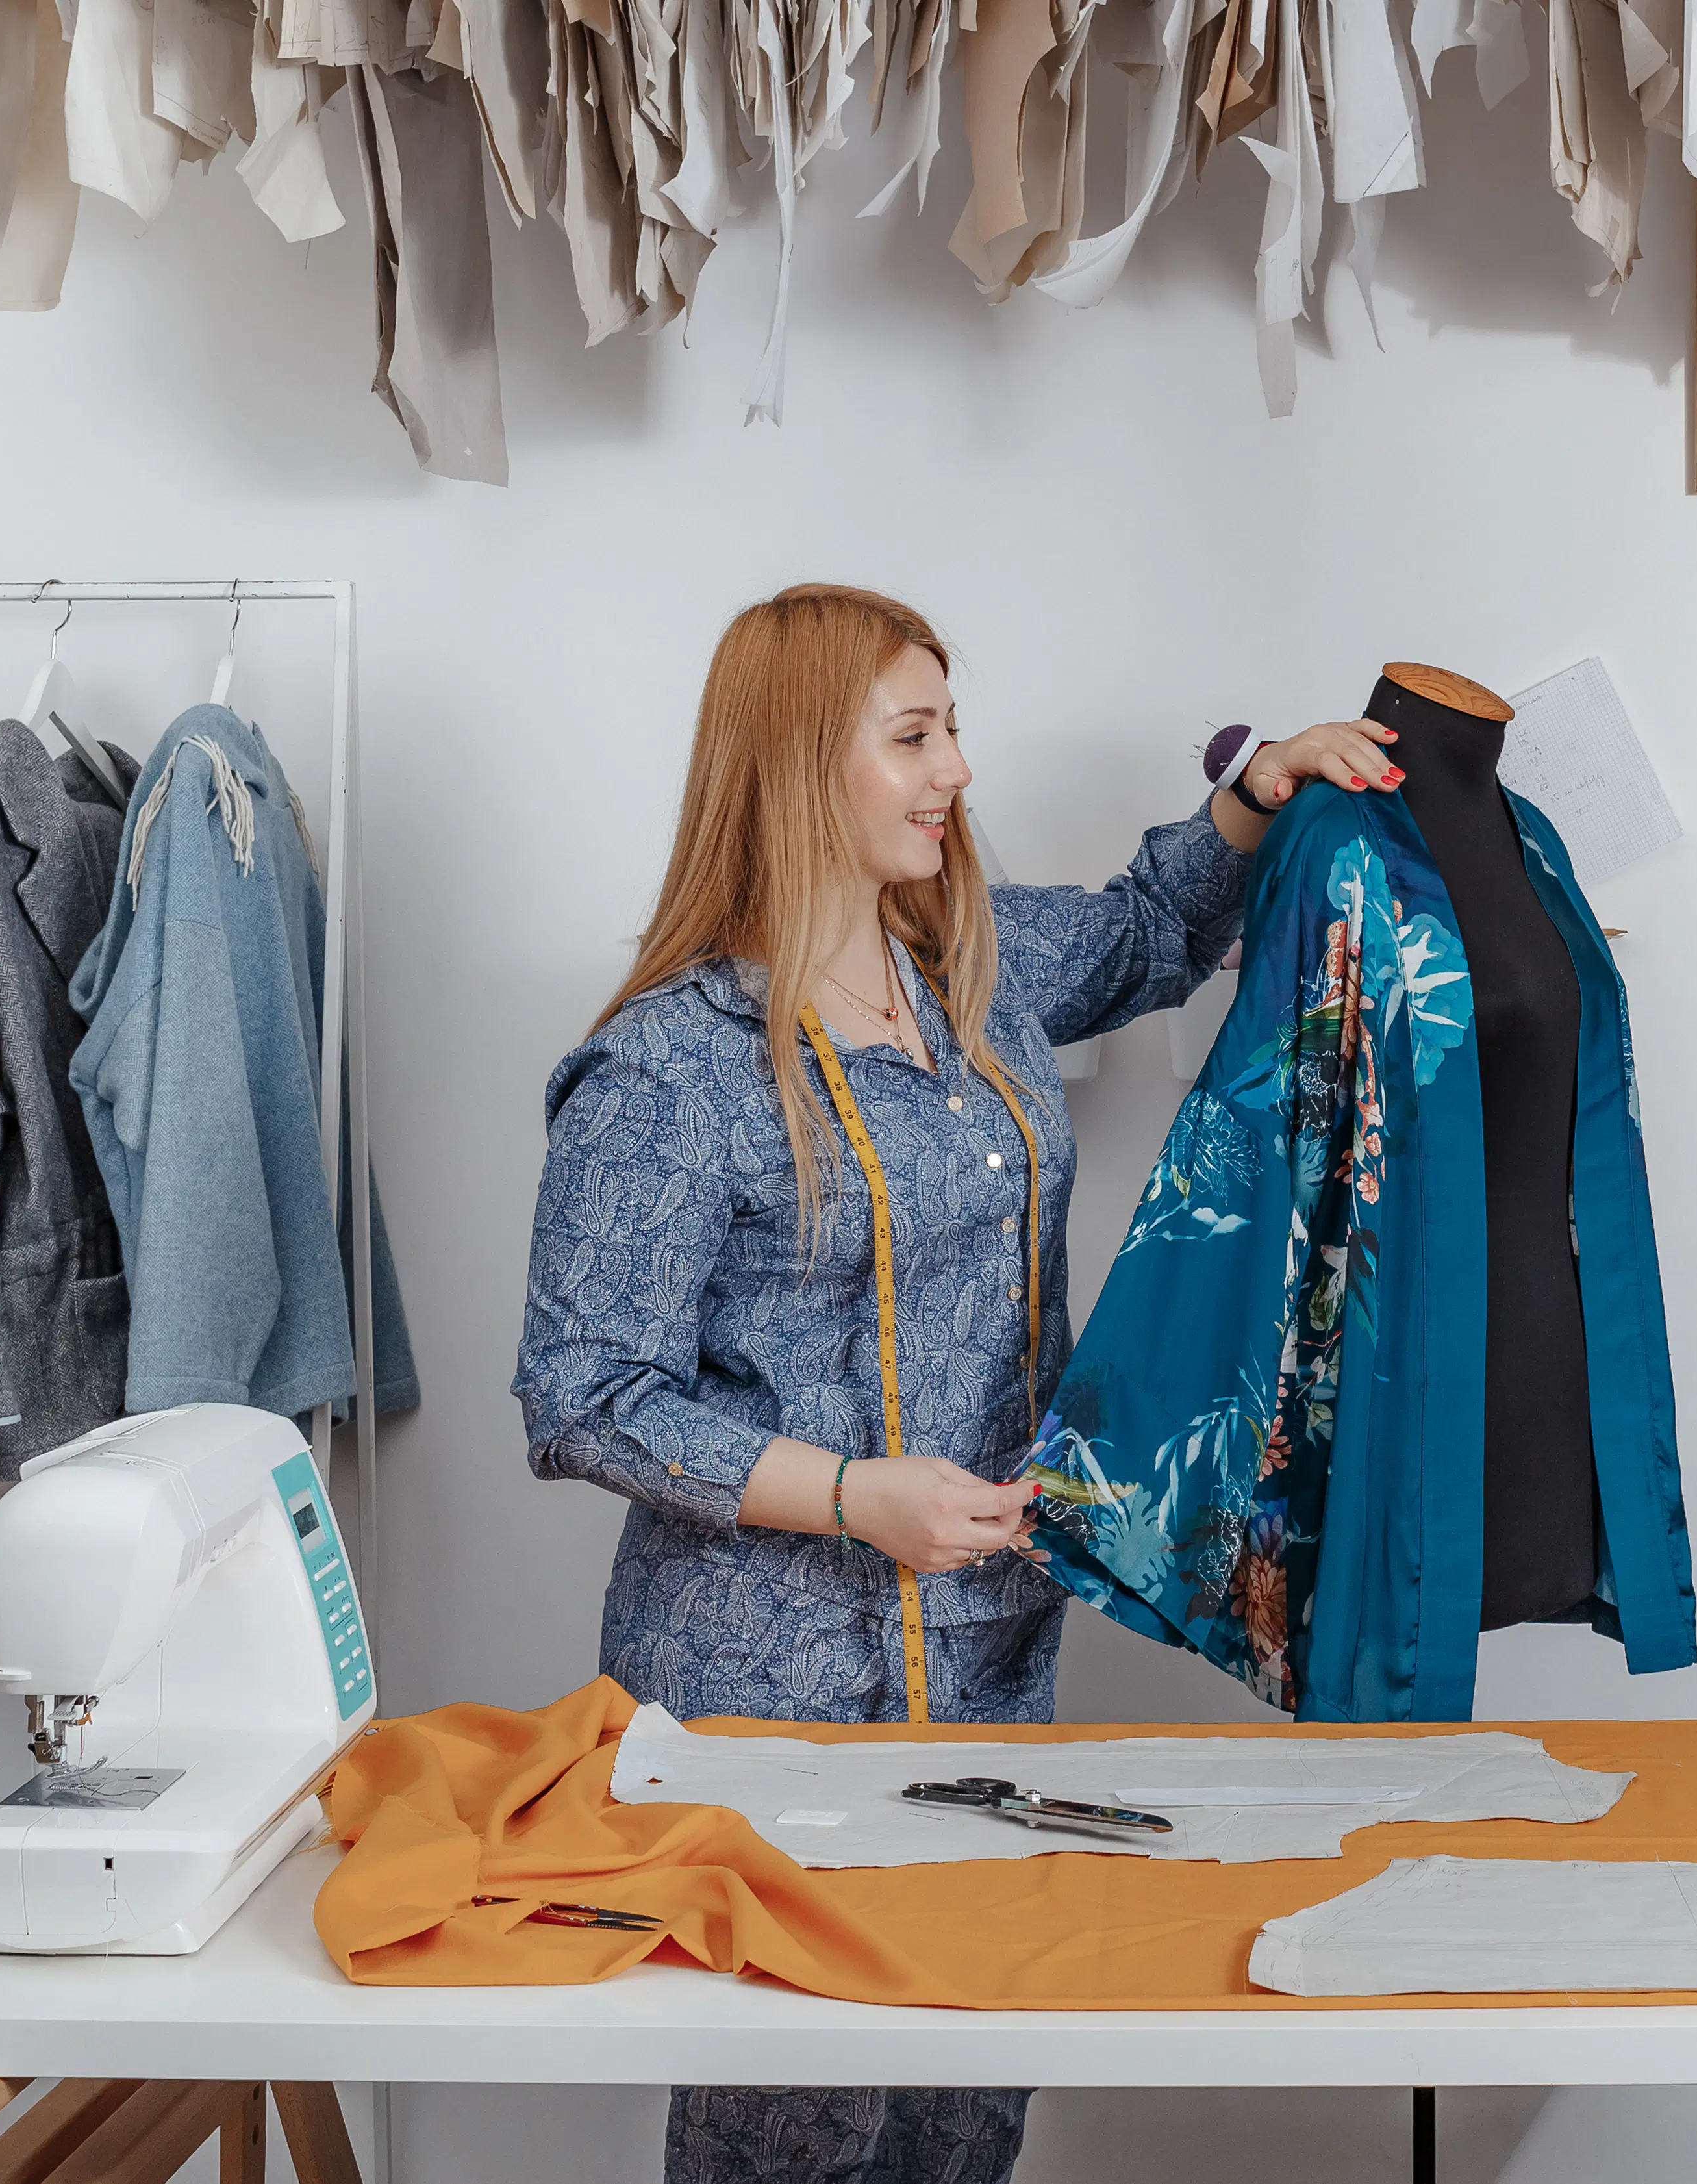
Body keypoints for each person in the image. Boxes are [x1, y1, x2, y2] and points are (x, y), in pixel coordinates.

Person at [514, 583, 1402, 2184]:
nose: (954, 770)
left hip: (990, 1655)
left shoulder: (965, 978)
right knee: (799, 2120)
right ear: (798, 766)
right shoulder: (673, 1065)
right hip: (773, 1692)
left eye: (952, 729)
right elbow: (578, 1389)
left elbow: (1145, 926)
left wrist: (1254, 798)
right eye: (912, 737)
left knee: (966, 2099)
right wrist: (858, 1497)